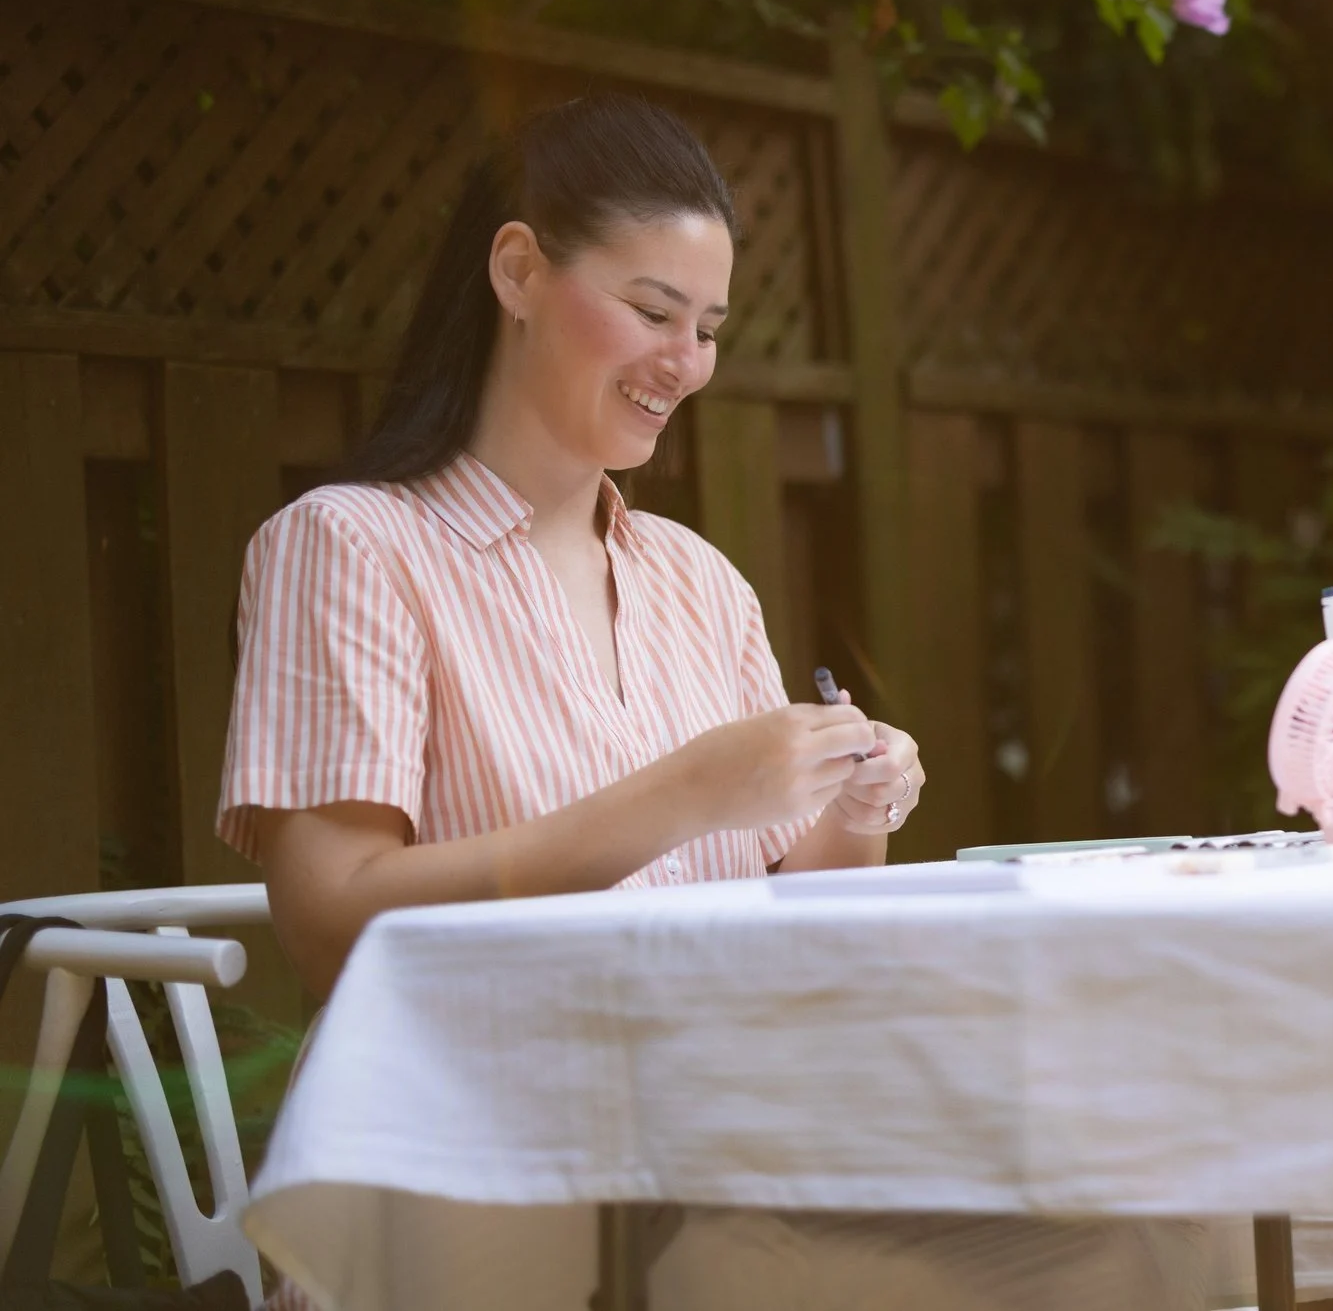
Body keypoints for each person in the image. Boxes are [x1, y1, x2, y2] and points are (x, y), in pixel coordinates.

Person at [218, 93, 924, 1000]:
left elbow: (793, 923)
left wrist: (859, 809)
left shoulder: (700, 581)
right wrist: (688, 793)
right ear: (517, 271)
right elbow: (332, 928)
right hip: (489, 1117)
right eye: (651, 309)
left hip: (715, 1097)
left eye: (706, 330)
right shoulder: (349, 548)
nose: (685, 362)